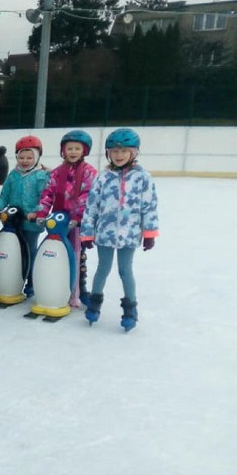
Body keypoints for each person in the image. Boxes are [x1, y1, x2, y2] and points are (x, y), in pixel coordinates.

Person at [81, 128, 159, 331]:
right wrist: (87, 232)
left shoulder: (143, 178)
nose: (119, 155)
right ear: (108, 153)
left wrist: (149, 233)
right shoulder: (102, 178)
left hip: (130, 233)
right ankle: (95, 302)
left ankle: (130, 309)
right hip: (105, 233)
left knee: (125, 271)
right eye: (114, 152)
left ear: (133, 153)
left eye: (124, 151)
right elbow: (91, 207)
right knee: (103, 269)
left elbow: (149, 206)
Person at [31, 130, 98, 307]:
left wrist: (77, 217)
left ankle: (79, 290)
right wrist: (41, 213)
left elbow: (87, 196)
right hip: (58, 222)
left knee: (76, 257)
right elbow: (47, 194)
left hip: (76, 224)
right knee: (56, 255)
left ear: (84, 150)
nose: (73, 152)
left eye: (77, 148)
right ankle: (56, 288)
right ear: (63, 150)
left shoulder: (89, 172)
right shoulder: (57, 172)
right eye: (69, 148)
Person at [0, 135, 50, 297]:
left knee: (29, 250)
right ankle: (13, 279)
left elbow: (44, 197)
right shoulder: (13, 175)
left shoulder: (41, 175)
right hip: (13, 220)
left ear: (36, 157)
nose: (25, 160)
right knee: (14, 251)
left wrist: (37, 212)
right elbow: (5, 194)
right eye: (21, 157)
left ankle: (32, 281)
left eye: (29, 157)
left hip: (31, 223)